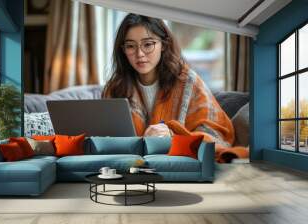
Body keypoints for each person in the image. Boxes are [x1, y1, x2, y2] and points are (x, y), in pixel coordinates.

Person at [102, 14, 248, 162]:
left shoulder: (189, 83)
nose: (139, 54)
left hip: (179, 163)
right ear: (123, 50)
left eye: (148, 44)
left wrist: (172, 136)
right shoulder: (114, 89)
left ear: (163, 45)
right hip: (131, 165)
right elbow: (106, 140)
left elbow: (215, 132)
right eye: (130, 46)